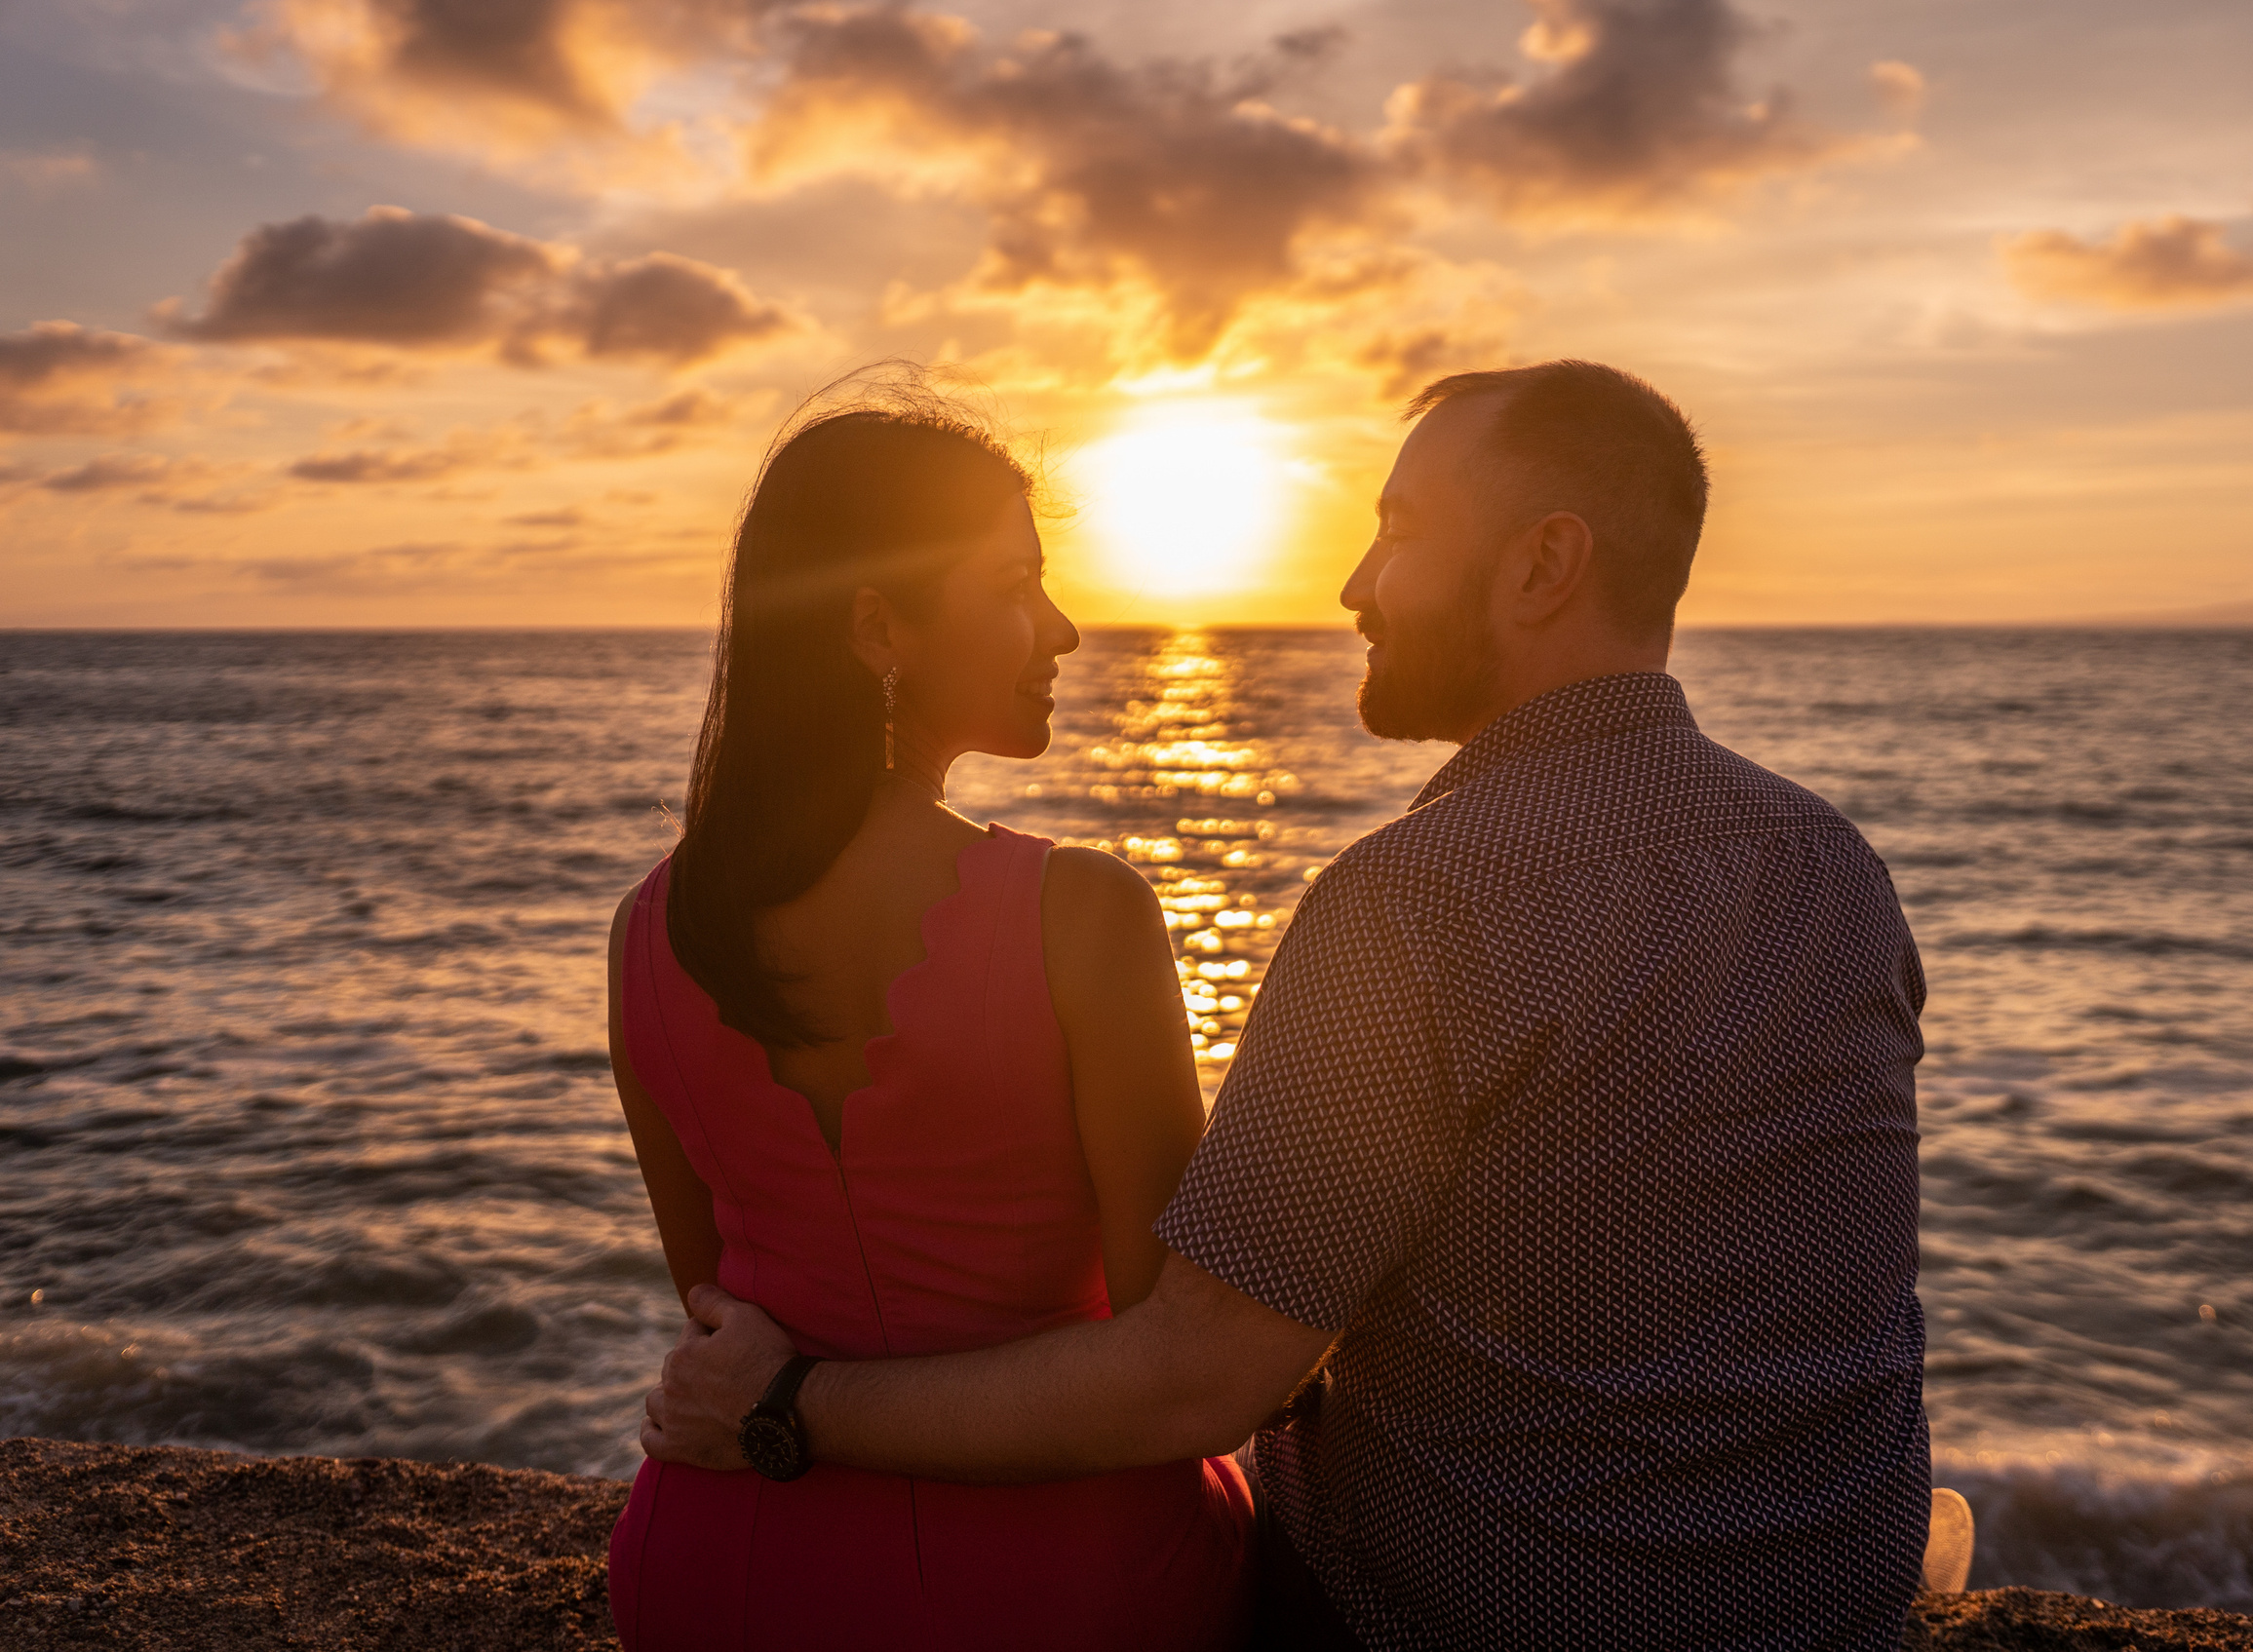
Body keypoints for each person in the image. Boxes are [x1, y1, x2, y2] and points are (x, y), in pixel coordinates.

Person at [642, 360, 1932, 1650]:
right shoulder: (1837, 868)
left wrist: (790, 1402)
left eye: (1402, 530)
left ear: (1547, 566)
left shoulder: (1418, 904)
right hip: (1830, 1607)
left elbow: (1196, 1377)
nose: (1355, 584)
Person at [602, 382, 1253, 1650]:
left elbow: (716, 1309)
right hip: (1063, 1590)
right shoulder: (1085, 914)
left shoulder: (648, 930)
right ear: (876, 626)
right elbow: (1182, 1374)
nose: (1061, 629)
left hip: (726, 1567)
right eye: (1016, 583)